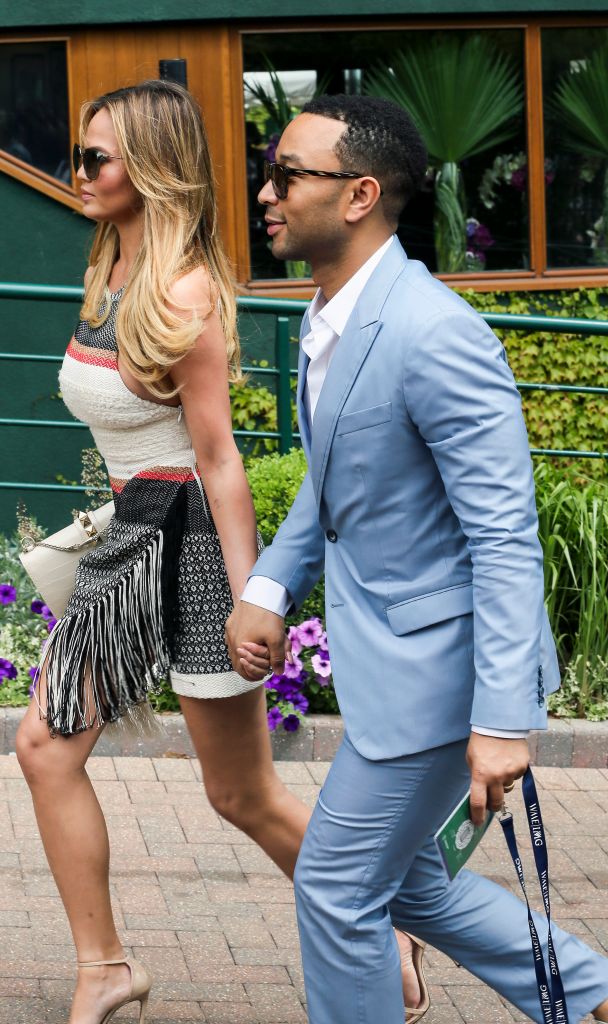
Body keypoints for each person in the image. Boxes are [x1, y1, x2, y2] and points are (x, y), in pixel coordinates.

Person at [226, 94, 608, 1024]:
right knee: (412, 888)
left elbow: (505, 536)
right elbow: (331, 489)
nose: (265, 193)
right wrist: (272, 587)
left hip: (444, 677)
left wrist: (505, 719)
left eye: (285, 175)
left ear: (359, 195)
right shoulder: (331, 321)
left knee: (335, 885)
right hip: (394, 666)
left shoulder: (434, 333)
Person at [14, 81, 426, 1024]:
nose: (78, 173)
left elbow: (219, 458)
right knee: (44, 747)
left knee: (239, 792)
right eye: (79, 155)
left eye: (95, 158)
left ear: (152, 168)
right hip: (130, 538)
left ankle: (377, 921)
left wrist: (256, 596)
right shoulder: (108, 261)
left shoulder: (188, 289)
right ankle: (104, 965)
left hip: (190, 541)